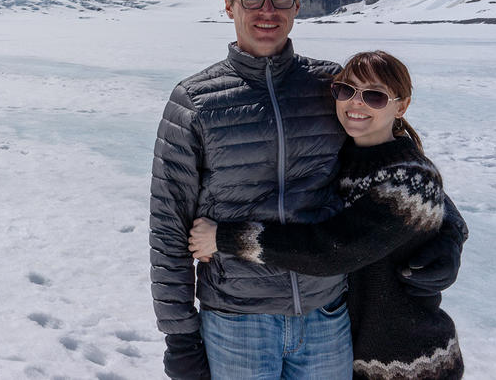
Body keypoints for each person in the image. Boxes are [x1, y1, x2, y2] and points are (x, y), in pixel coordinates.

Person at [149, 0, 467, 379]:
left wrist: (448, 236)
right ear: (229, 5)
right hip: (237, 320)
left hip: (326, 317)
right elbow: (168, 225)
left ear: (297, 5)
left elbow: (399, 169)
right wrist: (179, 336)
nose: (267, 11)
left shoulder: (330, 87)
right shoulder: (195, 102)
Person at [189, 51, 463, 379]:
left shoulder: (408, 177)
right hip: (355, 352)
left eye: (374, 96)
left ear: (401, 106)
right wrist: (453, 232)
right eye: (346, 91)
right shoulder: (344, 155)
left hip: (412, 361)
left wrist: (224, 237)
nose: (356, 104)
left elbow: (334, 250)